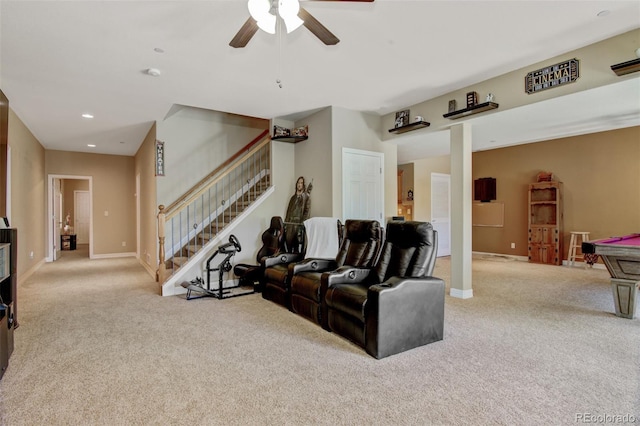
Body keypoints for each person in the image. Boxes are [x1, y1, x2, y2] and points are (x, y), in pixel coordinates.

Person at [284, 176, 312, 252]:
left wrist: (302, 224)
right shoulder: (293, 198)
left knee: (297, 248)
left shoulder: (306, 198)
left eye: (301, 183)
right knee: (288, 245)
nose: (299, 184)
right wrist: (286, 225)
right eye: (298, 183)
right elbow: (288, 212)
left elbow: (306, 212)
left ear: (303, 185)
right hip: (290, 224)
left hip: (299, 225)